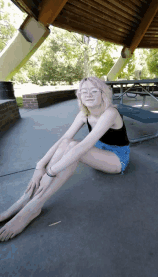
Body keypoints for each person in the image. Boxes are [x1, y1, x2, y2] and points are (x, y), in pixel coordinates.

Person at [0, 77, 130, 241]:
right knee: (67, 143)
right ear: (79, 96)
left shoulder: (110, 112)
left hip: (117, 158)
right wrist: (40, 166)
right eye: (84, 92)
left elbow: (85, 145)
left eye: (94, 91)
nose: (88, 94)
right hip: (99, 151)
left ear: (103, 94)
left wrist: (50, 173)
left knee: (75, 148)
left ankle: (34, 206)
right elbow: (64, 138)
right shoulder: (85, 113)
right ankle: (25, 198)